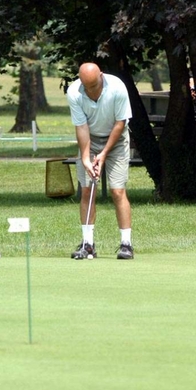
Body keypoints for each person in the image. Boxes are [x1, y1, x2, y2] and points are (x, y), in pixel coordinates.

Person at [66, 62, 134, 260]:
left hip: (117, 139)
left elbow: (120, 124)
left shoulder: (118, 88)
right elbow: (81, 127)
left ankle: (126, 244)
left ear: (101, 77)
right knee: (86, 190)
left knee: (117, 190)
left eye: (94, 87)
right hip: (90, 138)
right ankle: (88, 245)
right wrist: (86, 159)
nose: (91, 91)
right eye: (87, 88)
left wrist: (103, 154)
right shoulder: (74, 92)